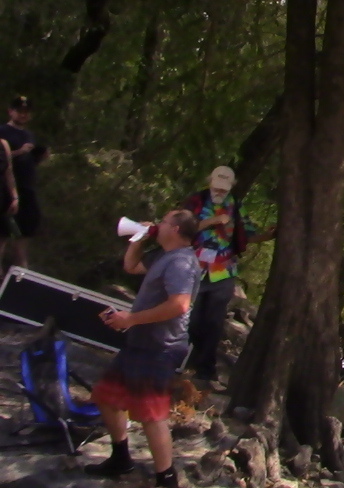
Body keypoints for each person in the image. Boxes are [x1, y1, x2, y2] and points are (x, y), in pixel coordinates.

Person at [85, 209, 202, 488]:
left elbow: (180, 304)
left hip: (160, 347)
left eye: (164, 221)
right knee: (107, 397)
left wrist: (131, 319)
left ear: (175, 229)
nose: (158, 223)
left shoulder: (182, 263)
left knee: (151, 414)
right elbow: (130, 266)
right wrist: (139, 237)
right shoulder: (164, 257)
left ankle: (166, 478)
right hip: (141, 343)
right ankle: (121, 458)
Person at [182, 165, 274, 383]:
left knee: (213, 322)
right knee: (191, 319)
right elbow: (183, 229)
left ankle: (205, 369)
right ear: (210, 181)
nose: (220, 192)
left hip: (223, 271)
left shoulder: (236, 206)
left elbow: (248, 235)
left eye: (224, 189)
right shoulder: (196, 201)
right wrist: (211, 222)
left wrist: (267, 236)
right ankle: (181, 361)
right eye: (217, 187)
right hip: (193, 266)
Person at [0, 95, 45, 272]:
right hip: (6, 190)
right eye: (19, 111)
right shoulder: (3, 132)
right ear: (11, 111)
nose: (23, 115)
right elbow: (4, 160)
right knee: (3, 232)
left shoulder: (29, 135)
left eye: (26, 112)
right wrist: (19, 152)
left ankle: (22, 270)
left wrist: (37, 156)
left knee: (26, 229)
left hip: (26, 189)